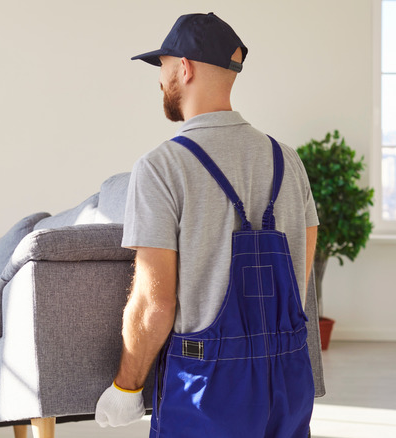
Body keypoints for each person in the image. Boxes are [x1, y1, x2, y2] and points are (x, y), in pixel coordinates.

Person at [95, 13, 318, 437]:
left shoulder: (162, 167)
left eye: (161, 66)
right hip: (288, 375)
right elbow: (298, 278)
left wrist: (127, 386)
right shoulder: (288, 160)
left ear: (185, 67)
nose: (160, 80)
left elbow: (153, 304)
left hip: (206, 385)